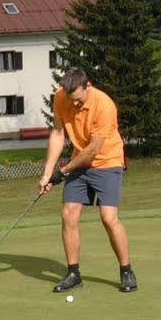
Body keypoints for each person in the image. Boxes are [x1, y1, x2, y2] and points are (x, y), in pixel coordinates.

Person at [40, 67, 135, 294]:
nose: (75, 105)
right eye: (71, 100)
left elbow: (92, 151)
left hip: (107, 161)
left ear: (88, 86)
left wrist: (62, 172)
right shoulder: (62, 97)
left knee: (108, 218)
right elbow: (57, 134)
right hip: (78, 161)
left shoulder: (105, 105)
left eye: (79, 100)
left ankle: (126, 270)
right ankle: (73, 274)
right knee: (68, 213)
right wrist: (47, 173)